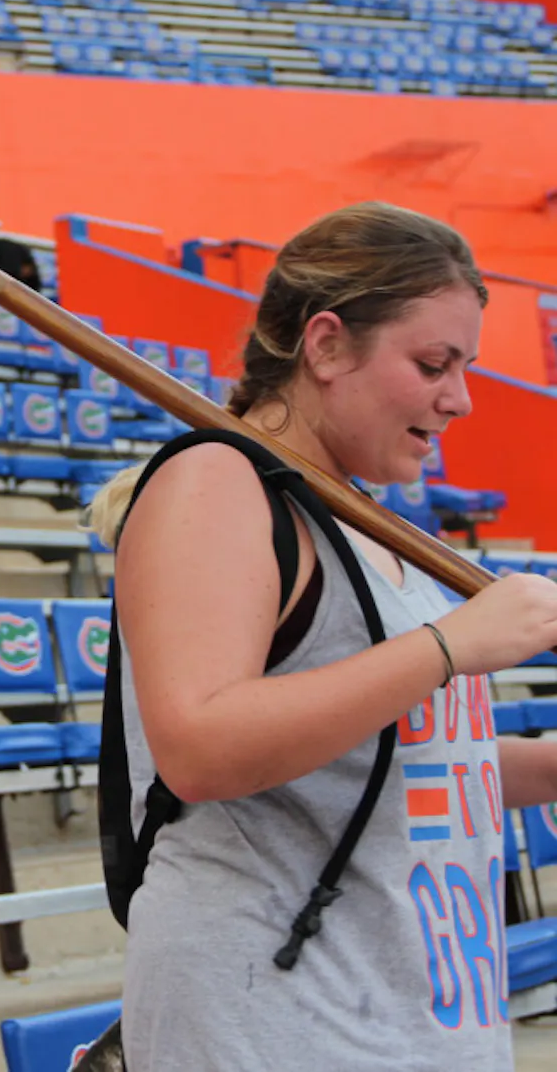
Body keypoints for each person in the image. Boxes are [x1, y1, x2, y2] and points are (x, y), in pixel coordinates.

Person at [86, 202, 557, 1071]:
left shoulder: (367, 520)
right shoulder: (216, 484)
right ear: (328, 344)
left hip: (411, 1020)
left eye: (466, 367)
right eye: (433, 364)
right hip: (274, 1026)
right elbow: (199, 746)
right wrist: (451, 645)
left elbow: (398, 762)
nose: (460, 399)